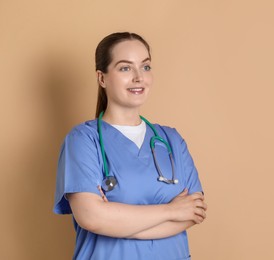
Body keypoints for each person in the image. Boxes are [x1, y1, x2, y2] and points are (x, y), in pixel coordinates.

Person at [53, 32, 207, 260]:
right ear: (102, 78)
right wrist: (171, 210)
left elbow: (194, 212)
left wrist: (116, 221)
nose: (138, 77)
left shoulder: (171, 140)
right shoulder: (84, 139)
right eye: (125, 68)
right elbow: (92, 218)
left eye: (145, 67)